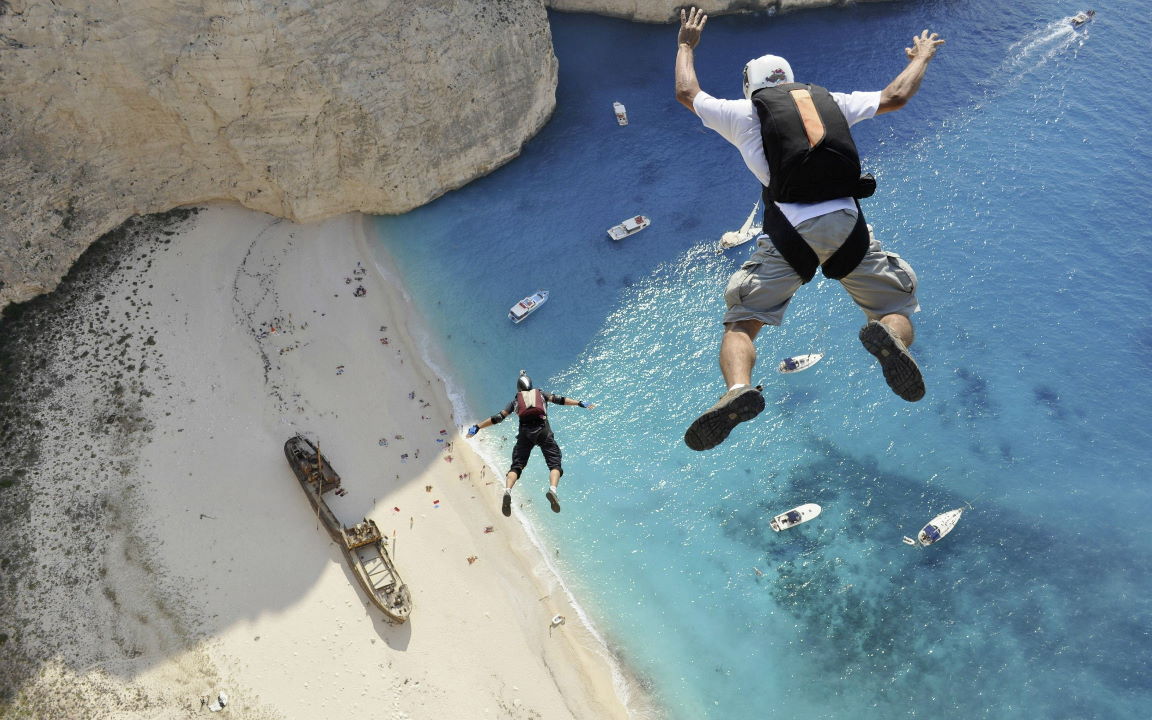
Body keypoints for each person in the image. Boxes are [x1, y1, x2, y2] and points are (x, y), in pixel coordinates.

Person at [674, 7, 945, 451]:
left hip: (788, 237)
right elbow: (896, 96)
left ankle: (738, 389)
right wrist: (921, 57)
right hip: (847, 225)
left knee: (742, 322)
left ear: (752, 88)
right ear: (790, 79)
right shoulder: (832, 100)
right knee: (894, 302)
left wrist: (686, 44)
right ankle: (891, 338)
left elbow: (687, 92)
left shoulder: (742, 114)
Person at [466, 370, 596, 517]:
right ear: (531, 384)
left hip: (525, 435)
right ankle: (552, 490)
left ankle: (508, 490)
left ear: (518, 388)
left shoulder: (515, 401)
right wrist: (579, 403)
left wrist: (477, 427)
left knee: (516, 466)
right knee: (555, 465)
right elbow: (560, 399)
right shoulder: (541, 395)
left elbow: (498, 417)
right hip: (543, 432)